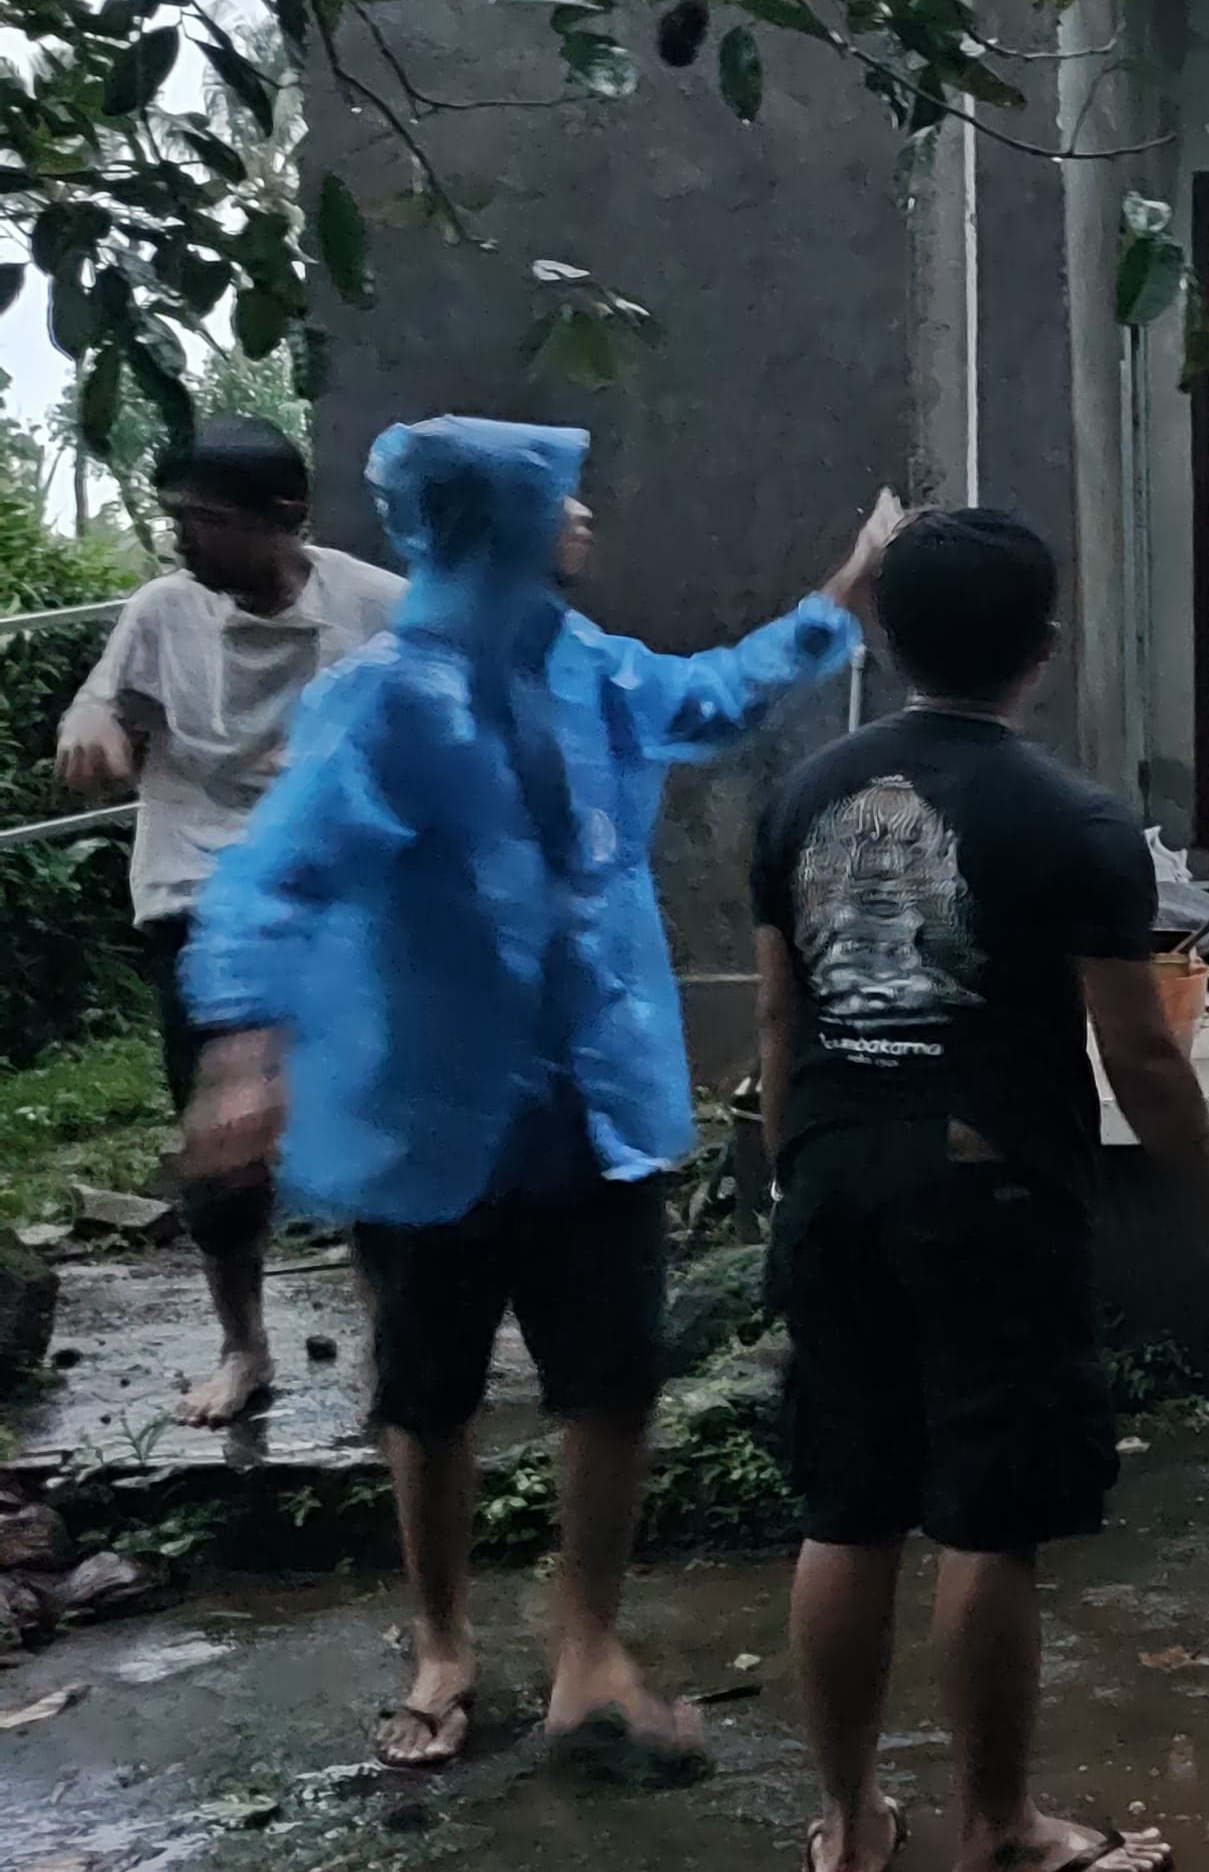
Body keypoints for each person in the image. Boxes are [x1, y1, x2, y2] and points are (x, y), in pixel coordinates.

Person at [179, 418, 896, 1775]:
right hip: (435, 1112)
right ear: (502, 527)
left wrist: (837, 600)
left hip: (591, 1102)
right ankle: (444, 1642)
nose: (585, 522)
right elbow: (278, 875)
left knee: (610, 1384)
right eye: (562, 505)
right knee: (429, 1394)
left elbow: (715, 696)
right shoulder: (385, 701)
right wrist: (246, 1052)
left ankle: (587, 1647)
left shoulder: (592, 673)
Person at [753, 508, 1209, 1872]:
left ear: (886, 630)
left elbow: (779, 1023)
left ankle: (848, 1820)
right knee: (986, 1518)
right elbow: (1143, 1057)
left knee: (849, 1503)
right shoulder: (1074, 822)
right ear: (1041, 652)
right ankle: (1001, 1828)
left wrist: (791, 1179)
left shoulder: (802, 797)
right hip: (984, 1194)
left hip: (831, 1177)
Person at [55, 415, 404, 1426]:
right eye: (175, 517)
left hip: (337, 904)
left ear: (283, 518)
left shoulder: (378, 607)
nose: (182, 539)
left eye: (203, 519)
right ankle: (243, 1346)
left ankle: (387, 1347)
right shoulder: (163, 610)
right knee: (224, 1155)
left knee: (369, 1141)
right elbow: (103, 706)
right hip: (199, 901)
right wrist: (92, 725)